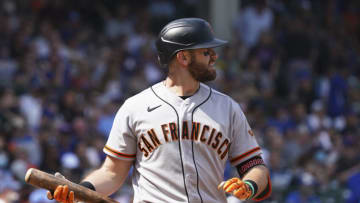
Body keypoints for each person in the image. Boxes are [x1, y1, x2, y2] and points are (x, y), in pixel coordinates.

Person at [47, 18, 271, 203]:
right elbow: (112, 173)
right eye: (206, 52)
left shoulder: (227, 107)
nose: (214, 57)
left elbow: (254, 166)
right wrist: (79, 190)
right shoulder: (135, 107)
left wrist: (249, 185)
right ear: (183, 57)